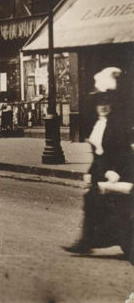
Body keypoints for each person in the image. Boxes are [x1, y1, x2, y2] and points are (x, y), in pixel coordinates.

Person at [63, 67, 133, 260]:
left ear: (112, 105)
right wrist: (90, 172)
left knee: (118, 209)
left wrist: (115, 172)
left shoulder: (117, 125)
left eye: (107, 103)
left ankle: (96, 242)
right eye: (100, 104)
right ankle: (87, 242)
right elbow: (99, 155)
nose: (103, 107)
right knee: (95, 204)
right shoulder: (99, 124)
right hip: (103, 173)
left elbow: (124, 152)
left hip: (121, 173)